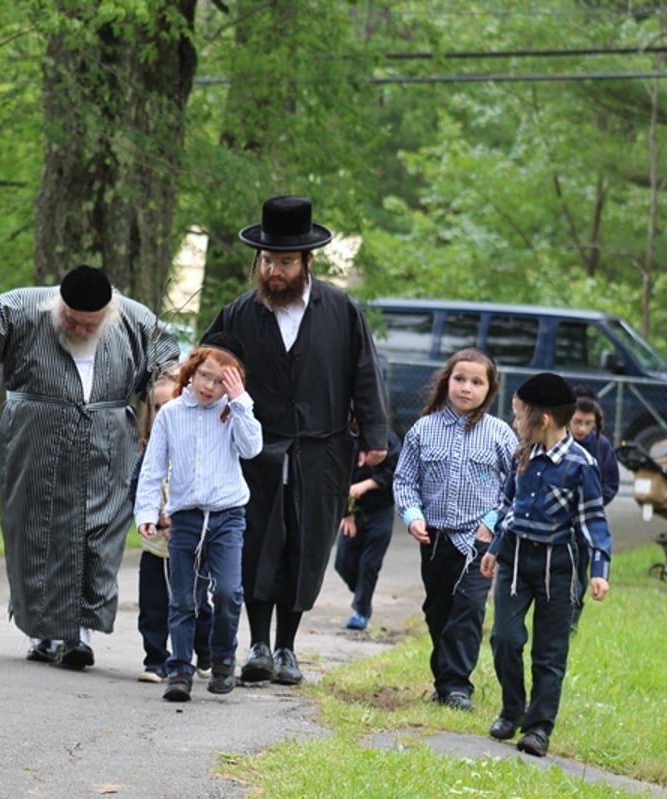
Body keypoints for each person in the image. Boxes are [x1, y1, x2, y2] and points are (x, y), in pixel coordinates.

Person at [0, 264, 179, 669]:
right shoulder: (24, 308)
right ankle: (45, 633)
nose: (79, 330)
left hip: (108, 447)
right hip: (35, 444)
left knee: (96, 537)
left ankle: (77, 635)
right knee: (37, 535)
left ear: (107, 315)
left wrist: (167, 384)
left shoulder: (134, 319)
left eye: (88, 325)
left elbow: (166, 363)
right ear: (58, 305)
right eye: (72, 321)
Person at [203, 195, 388, 686]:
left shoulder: (340, 310)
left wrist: (374, 433)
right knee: (257, 544)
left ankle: (288, 647)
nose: (274, 271)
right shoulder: (239, 314)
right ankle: (258, 645)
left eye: (285, 262)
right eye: (267, 261)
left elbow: (364, 372)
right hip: (254, 450)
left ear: (307, 261)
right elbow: (204, 369)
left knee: (305, 547)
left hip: (321, 450)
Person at [481, 372, 612, 757]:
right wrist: (494, 547)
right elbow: (508, 506)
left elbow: (594, 523)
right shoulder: (521, 454)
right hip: (516, 558)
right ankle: (511, 709)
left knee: (549, 652)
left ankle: (538, 728)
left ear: (542, 419)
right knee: (504, 638)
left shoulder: (581, 465)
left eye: (518, 416)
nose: (514, 423)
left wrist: (599, 572)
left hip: (560, 566)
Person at [134, 334, 263, 701]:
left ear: (233, 383)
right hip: (185, 518)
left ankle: (223, 658)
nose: (210, 386)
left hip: (227, 517)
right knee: (183, 599)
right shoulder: (172, 414)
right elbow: (153, 468)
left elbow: (252, 449)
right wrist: (146, 511)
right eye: (205, 375)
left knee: (227, 592)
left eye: (222, 380)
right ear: (191, 372)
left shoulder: (233, 413)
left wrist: (240, 402)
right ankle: (179, 670)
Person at [393, 348, 518, 711]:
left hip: (479, 540)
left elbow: (516, 485)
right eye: (460, 379)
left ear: (489, 389)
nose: (466, 388)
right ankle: (444, 680)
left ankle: (457, 686)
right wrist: (412, 514)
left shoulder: (499, 434)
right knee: (439, 610)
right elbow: (404, 480)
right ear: (446, 381)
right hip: (435, 538)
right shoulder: (423, 429)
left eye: (476, 382)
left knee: (468, 608)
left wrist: (492, 523)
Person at [131, 367, 213, 684]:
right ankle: (156, 659)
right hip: (155, 547)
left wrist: (180, 517)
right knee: (153, 606)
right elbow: (137, 491)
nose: (165, 413)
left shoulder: (197, 451)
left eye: (171, 405)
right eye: (157, 407)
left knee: (194, 605)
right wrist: (152, 516)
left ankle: (204, 651)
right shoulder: (147, 453)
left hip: (191, 545)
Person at [333, 428, 402, 632]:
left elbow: (396, 472)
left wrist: (368, 484)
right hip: (352, 513)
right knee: (343, 563)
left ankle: (361, 611)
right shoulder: (344, 440)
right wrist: (347, 513)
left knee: (369, 564)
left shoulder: (388, 439)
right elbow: (336, 478)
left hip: (380, 511)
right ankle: (363, 592)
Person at [568, 387, 618, 631]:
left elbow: (611, 484)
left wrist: (591, 504)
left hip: (585, 524)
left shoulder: (602, 446)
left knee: (580, 571)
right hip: (560, 522)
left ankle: (572, 620)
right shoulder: (559, 443)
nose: (582, 429)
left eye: (588, 423)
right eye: (577, 422)